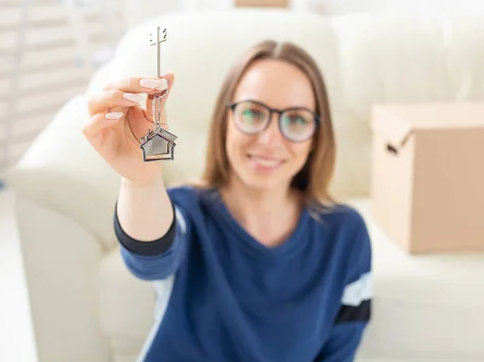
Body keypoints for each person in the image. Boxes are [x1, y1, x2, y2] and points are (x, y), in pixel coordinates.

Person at [82, 40, 372, 362]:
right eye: (252, 112)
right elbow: (148, 259)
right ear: (225, 120)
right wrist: (142, 181)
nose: (270, 140)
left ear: (317, 136)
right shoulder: (187, 213)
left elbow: (339, 352)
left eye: (296, 119)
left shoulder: (345, 234)